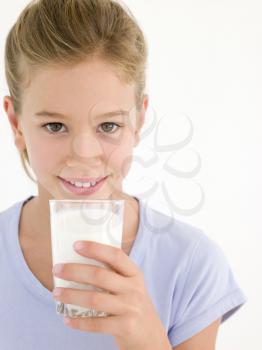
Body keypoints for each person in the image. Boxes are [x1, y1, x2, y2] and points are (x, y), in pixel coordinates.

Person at [0, 0, 246, 349]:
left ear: (139, 121)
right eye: (54, 126)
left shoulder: (191, 265)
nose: (85, 154)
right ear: (16, 123)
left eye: (109, 125)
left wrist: (149, 340)